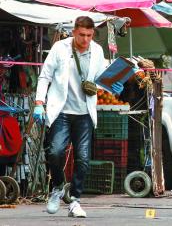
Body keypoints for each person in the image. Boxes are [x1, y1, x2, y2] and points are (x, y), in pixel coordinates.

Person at [33, 16, 124, 218]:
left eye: (89, 35)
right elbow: (45, 76)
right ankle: (57, 187)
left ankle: (74, 200)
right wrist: (39, 103)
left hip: (84, 113)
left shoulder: (97, 51)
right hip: (61, 111)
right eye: (81, 35)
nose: (85, 39)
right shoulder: (59, 48)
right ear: (74, 32)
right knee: (55, 152)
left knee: (83, 159)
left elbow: (101, 77)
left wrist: (113, 85)